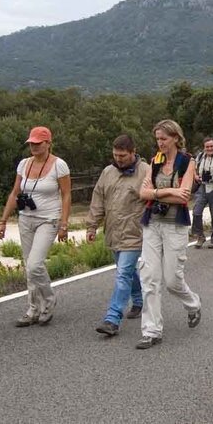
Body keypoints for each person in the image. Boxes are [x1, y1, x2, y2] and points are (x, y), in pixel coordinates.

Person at [136, 119, 201, 349]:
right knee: (149, 278)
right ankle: (151, 330)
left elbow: (183, 197)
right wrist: (168, 190)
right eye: (157, 139)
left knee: (172, 280)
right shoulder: (155, 161)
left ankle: (193, 304)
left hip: (175, 226)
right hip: (152, 223)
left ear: (175, 137)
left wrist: (156, 193)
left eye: (164, 139)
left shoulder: (188, 162)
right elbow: (142, 193)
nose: (160, 143)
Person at [0, 126, 71, 327]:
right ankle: (33, 308)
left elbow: (66, 195)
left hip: (48, 219)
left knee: (35, 264)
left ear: (48, 143)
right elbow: (14, 192)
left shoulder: (59, 165)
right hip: (26, 218)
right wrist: (3, 220)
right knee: (28, 265)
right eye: (31, 143)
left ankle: (48, 300)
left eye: (38, 143)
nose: (34, 147)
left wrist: (64, 224)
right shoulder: (24, 164)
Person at [86, 135, 149, 337]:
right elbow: (98, 198)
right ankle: (139, 300)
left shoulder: (146, 171)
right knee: (127, 272)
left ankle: (112, 319)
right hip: (113, 231)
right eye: (115, 155)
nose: (119, 159)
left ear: (133, 152)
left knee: (122, 273)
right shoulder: (108, 172)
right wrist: (92, 225)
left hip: (135, 232)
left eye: (122, 155)